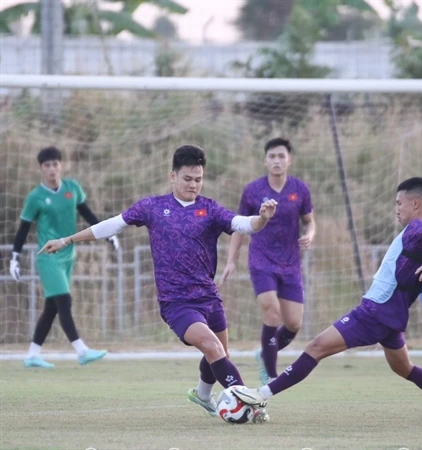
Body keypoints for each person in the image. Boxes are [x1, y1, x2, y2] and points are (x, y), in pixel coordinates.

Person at [39, 145, 277, 423]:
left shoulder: (210, 209)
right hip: (176, 302)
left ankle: (202, 395)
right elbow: (110, 225)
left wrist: (262, 218)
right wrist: (67, 240)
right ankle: (248, 403)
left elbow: (243, 224)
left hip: (208, 297)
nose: (193, 184)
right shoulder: (153, 207)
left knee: (220, 353)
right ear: (172, 176)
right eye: (187, 178)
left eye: (198, 179)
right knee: (213, 348)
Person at [232, 177, 422, 421]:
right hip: (391, 317)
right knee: (405, 368)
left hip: (375, 311)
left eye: (399, 203)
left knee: (316, 347)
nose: (396, 208)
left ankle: (262, 393)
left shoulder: (418, 228)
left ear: (416, 203)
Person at [10, 146, 117, 368]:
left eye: (55, 164)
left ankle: (32, 355)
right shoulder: (35, 197)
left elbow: (87, 214)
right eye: (47, 165)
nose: (52, 168)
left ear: (61, 165)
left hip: (69, 254)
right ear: (41, 168)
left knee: (52, 307)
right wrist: (15, 257)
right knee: (64, 301)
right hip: (48, 255)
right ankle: (81, 351)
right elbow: (23, 229)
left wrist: (108, 235)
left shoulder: (72, 188)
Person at [221, 138, 315, 385]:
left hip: (291, 264)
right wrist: (231, 260)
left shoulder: (300, 189)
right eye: (272, 156)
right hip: (261, 261)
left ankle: (264, 352)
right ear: (265, 160)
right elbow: (239, 227)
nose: (276, 160)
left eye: (281, 156)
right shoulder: (252, 190)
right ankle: (270, 376)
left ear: (289, 160)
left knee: (293, 323)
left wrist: (310, 235)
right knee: (271, 313)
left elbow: (310, 221)